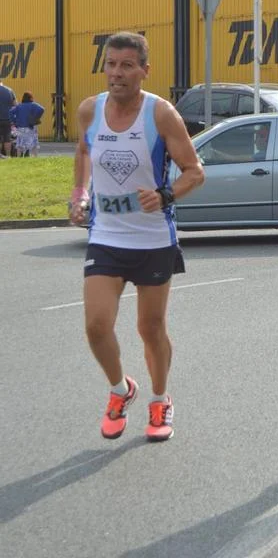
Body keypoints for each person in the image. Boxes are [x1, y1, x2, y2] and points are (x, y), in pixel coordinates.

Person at [69, 32, 204, 441]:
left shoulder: (160, 114)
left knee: (150, 328)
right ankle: (120, 389)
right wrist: (80, 193)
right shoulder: (90, 110)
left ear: (145, 70)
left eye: (127, 65)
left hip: (152, 239)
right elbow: (83, 152)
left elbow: (195, 172)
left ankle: (160, 400)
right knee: (96, 325)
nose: (117, 73)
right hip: (106, 236)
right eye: (110, 64)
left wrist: (164, 195)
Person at [9, 92, 44, 157]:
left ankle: (19, 158)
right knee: (33, 144)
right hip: (31, 127)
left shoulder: (19, 106)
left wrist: (14, 121)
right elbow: (42, 109)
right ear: (31, 98)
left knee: (20, 144)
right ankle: (35, 157)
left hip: (20, 128)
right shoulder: (33, 105)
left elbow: (10, 112)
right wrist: (36, 117)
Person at [0, 79, 16, 158]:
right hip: (7, 119)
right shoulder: (10, 90)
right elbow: (15, 105)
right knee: (7, 138)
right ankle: (8, 155)